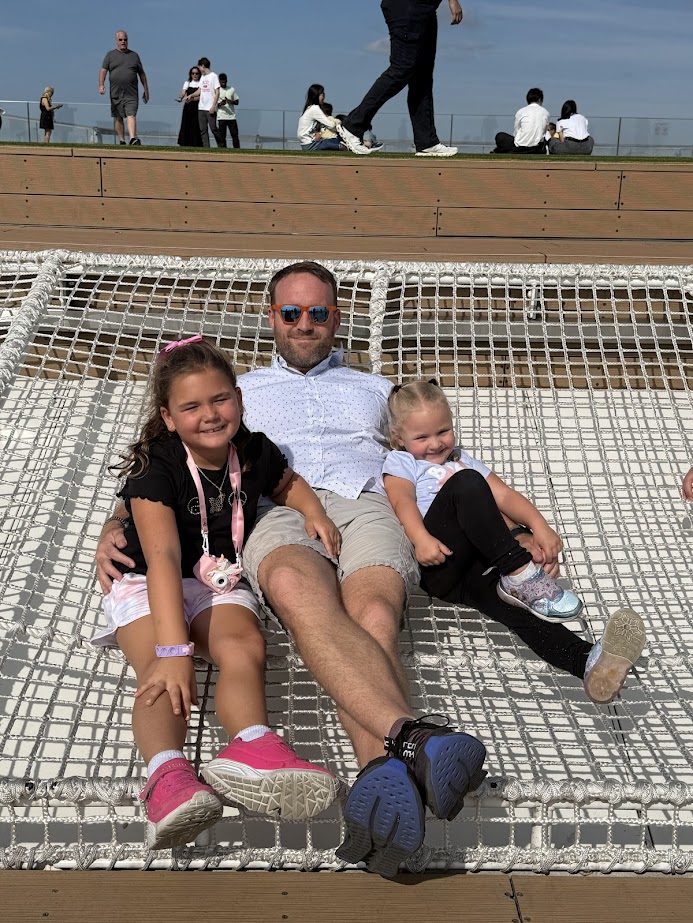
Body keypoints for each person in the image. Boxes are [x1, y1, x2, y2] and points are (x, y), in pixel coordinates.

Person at [96, 261, 488, 880]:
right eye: (291, 313)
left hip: (365, 502)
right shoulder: (234, 388)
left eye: (319, 312)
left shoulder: (375, 388)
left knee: (377, 613)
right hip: (276, 512)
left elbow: (430, 453)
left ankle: (379, 788)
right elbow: (167, 461)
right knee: (291, 587)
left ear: (337, 317)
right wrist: (114, 522)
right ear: (272, 318)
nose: (305, 324)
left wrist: (499, 520)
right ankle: (410, 747)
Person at [93, 336, 341, 850]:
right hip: (146, 578)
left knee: (245, 647)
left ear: (239, 399)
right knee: (162, 677)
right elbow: (160, 560)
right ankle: (169, 779)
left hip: (216, 576)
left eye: (220, 399)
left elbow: (286, 482)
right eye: (191, 406)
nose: (209, 414)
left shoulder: (251, 450)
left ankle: (251, 747)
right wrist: (173, 651)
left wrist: (313, 510)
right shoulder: (156, 468)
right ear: (167, 416)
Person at [381, 380, 647, 704]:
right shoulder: (402, 462)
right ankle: (520, 575)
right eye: (422, 437)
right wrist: (420, 538)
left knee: (519, 612)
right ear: (399, 438)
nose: (436, 444)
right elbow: (403, 503)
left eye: (443, 431)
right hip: (439, 561)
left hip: (479, 565)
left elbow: (504, 494)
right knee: (466, 484)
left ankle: (587, 662)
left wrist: (539, 526)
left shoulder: (461, 457)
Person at [337, 0, 463, 157]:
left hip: (426, 9)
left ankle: (427, 142)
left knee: (422, 77)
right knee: (402, 68)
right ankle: (352, 125)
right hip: (408, 7)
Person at [99, 30, 149, 146]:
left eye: (125, 39)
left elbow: (142, 74)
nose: (123, 42)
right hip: (115, 92)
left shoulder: (134, 56)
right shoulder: (110, 55)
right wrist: (101, 84)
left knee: (131, 114)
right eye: (120, 40)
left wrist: (146, 90)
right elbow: (103, 71)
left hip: (131, 92)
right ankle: (122, 140)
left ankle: (132, 138)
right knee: (118, 117)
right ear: (116, 41)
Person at [493, 87, 549, 155]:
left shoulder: (521, 111)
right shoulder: (545, 112)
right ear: (540, 99)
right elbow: (544, 132)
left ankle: (508, 151)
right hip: (537, 147)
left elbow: (516, 131)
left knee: (500, 136)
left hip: (520, 147)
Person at [297, 85, 343, 152]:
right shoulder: (315, 108)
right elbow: (331, 125)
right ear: (316, 96)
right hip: (311, 145)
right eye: (322, 94)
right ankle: (346, 146)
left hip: (305, 145)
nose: (324, 97)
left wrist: (315, 133)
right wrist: (340, 128)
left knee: (328, 141)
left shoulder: (307, 109)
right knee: (337, 140)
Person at [195, 58, 221, 148]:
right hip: (201, 107)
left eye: (199, 66)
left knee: (213, 129)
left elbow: (217, 92)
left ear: (203, 65)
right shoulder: (203, 77)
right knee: (203, 130)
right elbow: (199, 90)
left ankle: (221, 146)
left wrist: (213, 106)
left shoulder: (214, 76)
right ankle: (206, 148)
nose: (199, 69)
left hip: (210, 108)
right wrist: (191, 95)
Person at [176, 67, 203, 147]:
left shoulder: (201, 83)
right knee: (186, 125)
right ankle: (184, 143)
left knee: (195, 126)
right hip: (188, 107)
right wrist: (180, 97)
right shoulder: (187, 82)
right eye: (193, 73)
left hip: (197, 107)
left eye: (196, 73)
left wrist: (192, 99)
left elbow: (201, 96)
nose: (194, 75)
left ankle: (195, 143)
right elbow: (183, 92)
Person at [216, 74, 240, 149]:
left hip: (231, 116)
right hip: (221, 116)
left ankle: (237, 150)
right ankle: (223, 150)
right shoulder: (217, 90)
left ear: (227, 80)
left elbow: (237, 102)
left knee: (234, 134)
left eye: (224, 81)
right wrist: (221, 104)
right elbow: (214, 104)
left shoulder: (231, 89)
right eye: (222, 82)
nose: (223, 83)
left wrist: (230, 101)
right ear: (219, 81)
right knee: (222, 135)